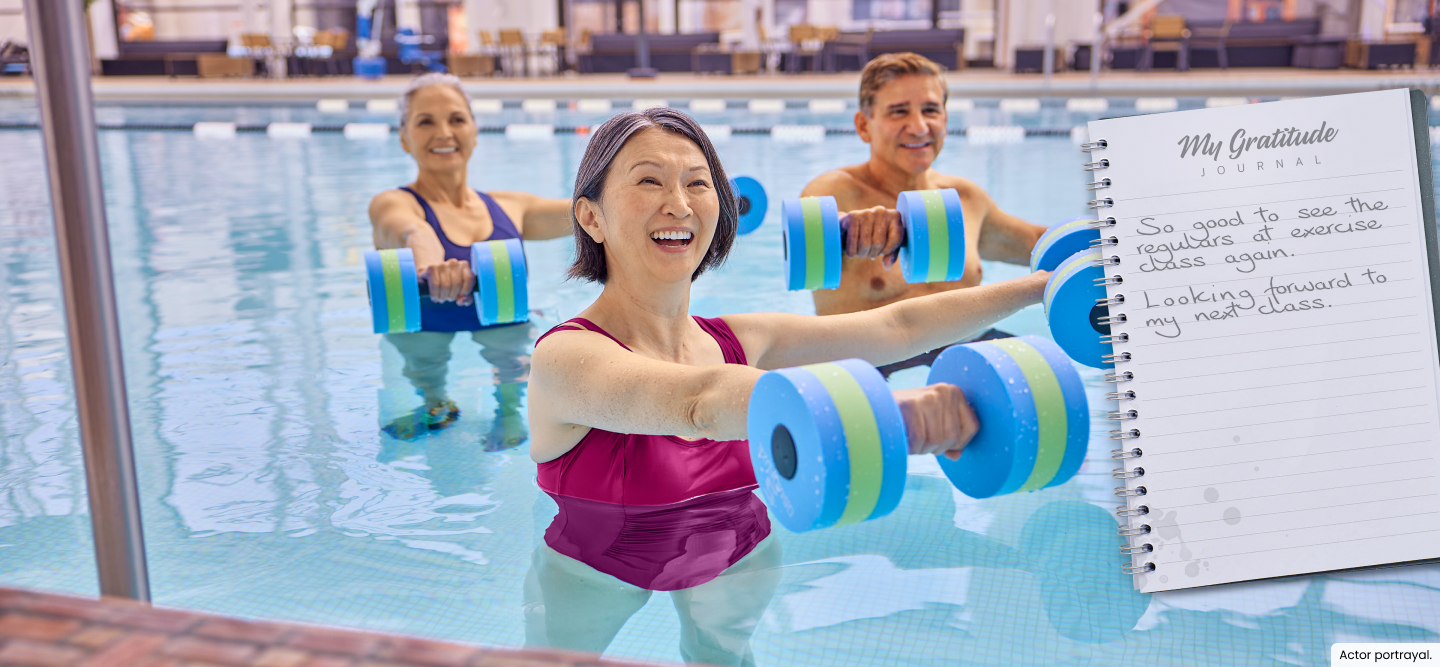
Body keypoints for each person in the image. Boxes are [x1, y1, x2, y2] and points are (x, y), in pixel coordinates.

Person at [523, 107, 1048, 665]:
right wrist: (890, 415)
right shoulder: (565, 357)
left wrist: (1042, 286)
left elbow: (899, 327)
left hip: (737, 549)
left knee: (724, 659)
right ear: (591, 217)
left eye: (698, 183)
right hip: (593, 566)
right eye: (649, 180)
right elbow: (700, 403)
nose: (678, 204)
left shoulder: (746, 338)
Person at [800, 53, 1050, 377]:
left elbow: (1046, 246)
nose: (919, 127)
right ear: (864, 126)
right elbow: (810, 231)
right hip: (869, 369)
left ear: (945, 119)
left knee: (1042, 375)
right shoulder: (833, 192)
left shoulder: (965, 198)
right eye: (899, 111)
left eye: (930, 110)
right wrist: (851, 227)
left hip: (969, 350)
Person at [369, 73, 572, 448]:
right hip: (424, 331)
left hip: (505, 332)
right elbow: (413, 232)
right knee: (423, 354)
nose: (444, 133)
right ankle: (435, 402)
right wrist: (432, 269)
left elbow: (589, 213)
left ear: (475, 131)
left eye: (457, 119)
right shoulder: (391, 203)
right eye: (425, 122)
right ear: (404, 138)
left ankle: (509, 411)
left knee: (511, 345)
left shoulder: (511, 207)